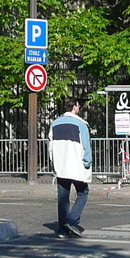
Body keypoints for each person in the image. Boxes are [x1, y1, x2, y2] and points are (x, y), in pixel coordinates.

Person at [49, 99, 92, 237]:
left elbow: (50, 147)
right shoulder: (81, 124)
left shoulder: (54, 124)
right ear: (74, 107)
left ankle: (62, 230)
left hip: (61, 166)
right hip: (76, 165)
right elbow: (86, 146)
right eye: (78, 105)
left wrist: (53, 163)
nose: (79, 107)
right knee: (83, 193)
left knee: (63, 198)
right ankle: (72, 220)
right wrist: (87, 162)